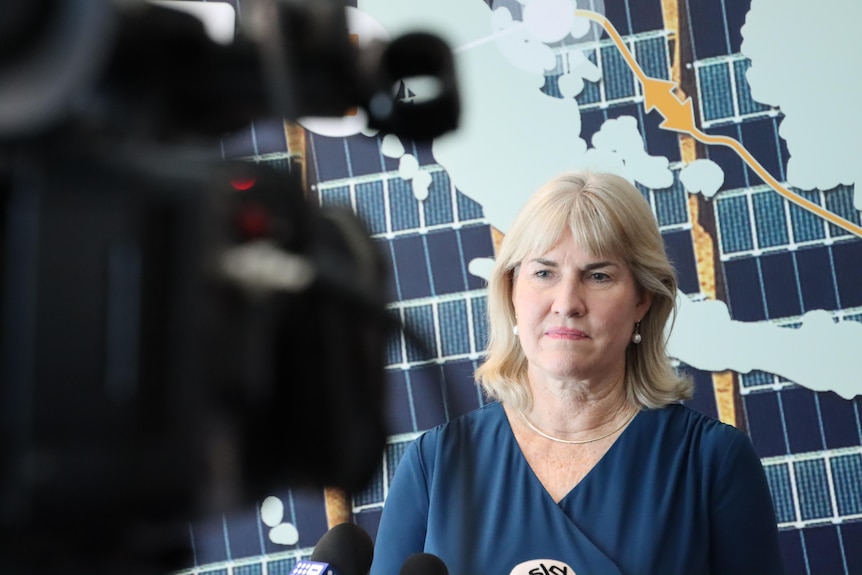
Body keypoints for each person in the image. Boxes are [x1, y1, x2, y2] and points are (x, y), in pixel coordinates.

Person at [369, 171, 784, 575]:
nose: (567, 302)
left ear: (643, 300)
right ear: (511, 291)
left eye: (598, 275)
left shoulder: (712, 462)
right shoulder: (435, 464)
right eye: (544, 273)